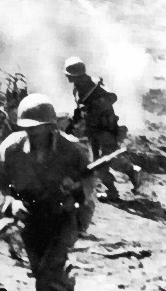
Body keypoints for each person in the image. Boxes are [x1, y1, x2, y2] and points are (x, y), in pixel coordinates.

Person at [0, 93, 95, 291]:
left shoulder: (72, 150)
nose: (33, 135)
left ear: (51, 127)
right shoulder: (11, 150)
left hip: (63, 219)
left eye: (39, 129)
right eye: (28, 129)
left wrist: (77, 193)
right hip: (31, 221)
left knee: (47, 274)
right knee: (42, 280)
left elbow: (91, 185)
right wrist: (10, 203)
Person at [63, 56, 141, 200]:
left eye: (69, 75)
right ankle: (112, 191)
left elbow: (112, 98)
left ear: (75, 75)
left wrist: (95, 106)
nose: (67, 78)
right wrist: (73, 122)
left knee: (109, 159)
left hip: (105, 129)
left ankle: (132, 170)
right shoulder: (77, 89)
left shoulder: (95, 85)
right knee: (97, 164)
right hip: (93, 130)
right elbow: (80, 109)